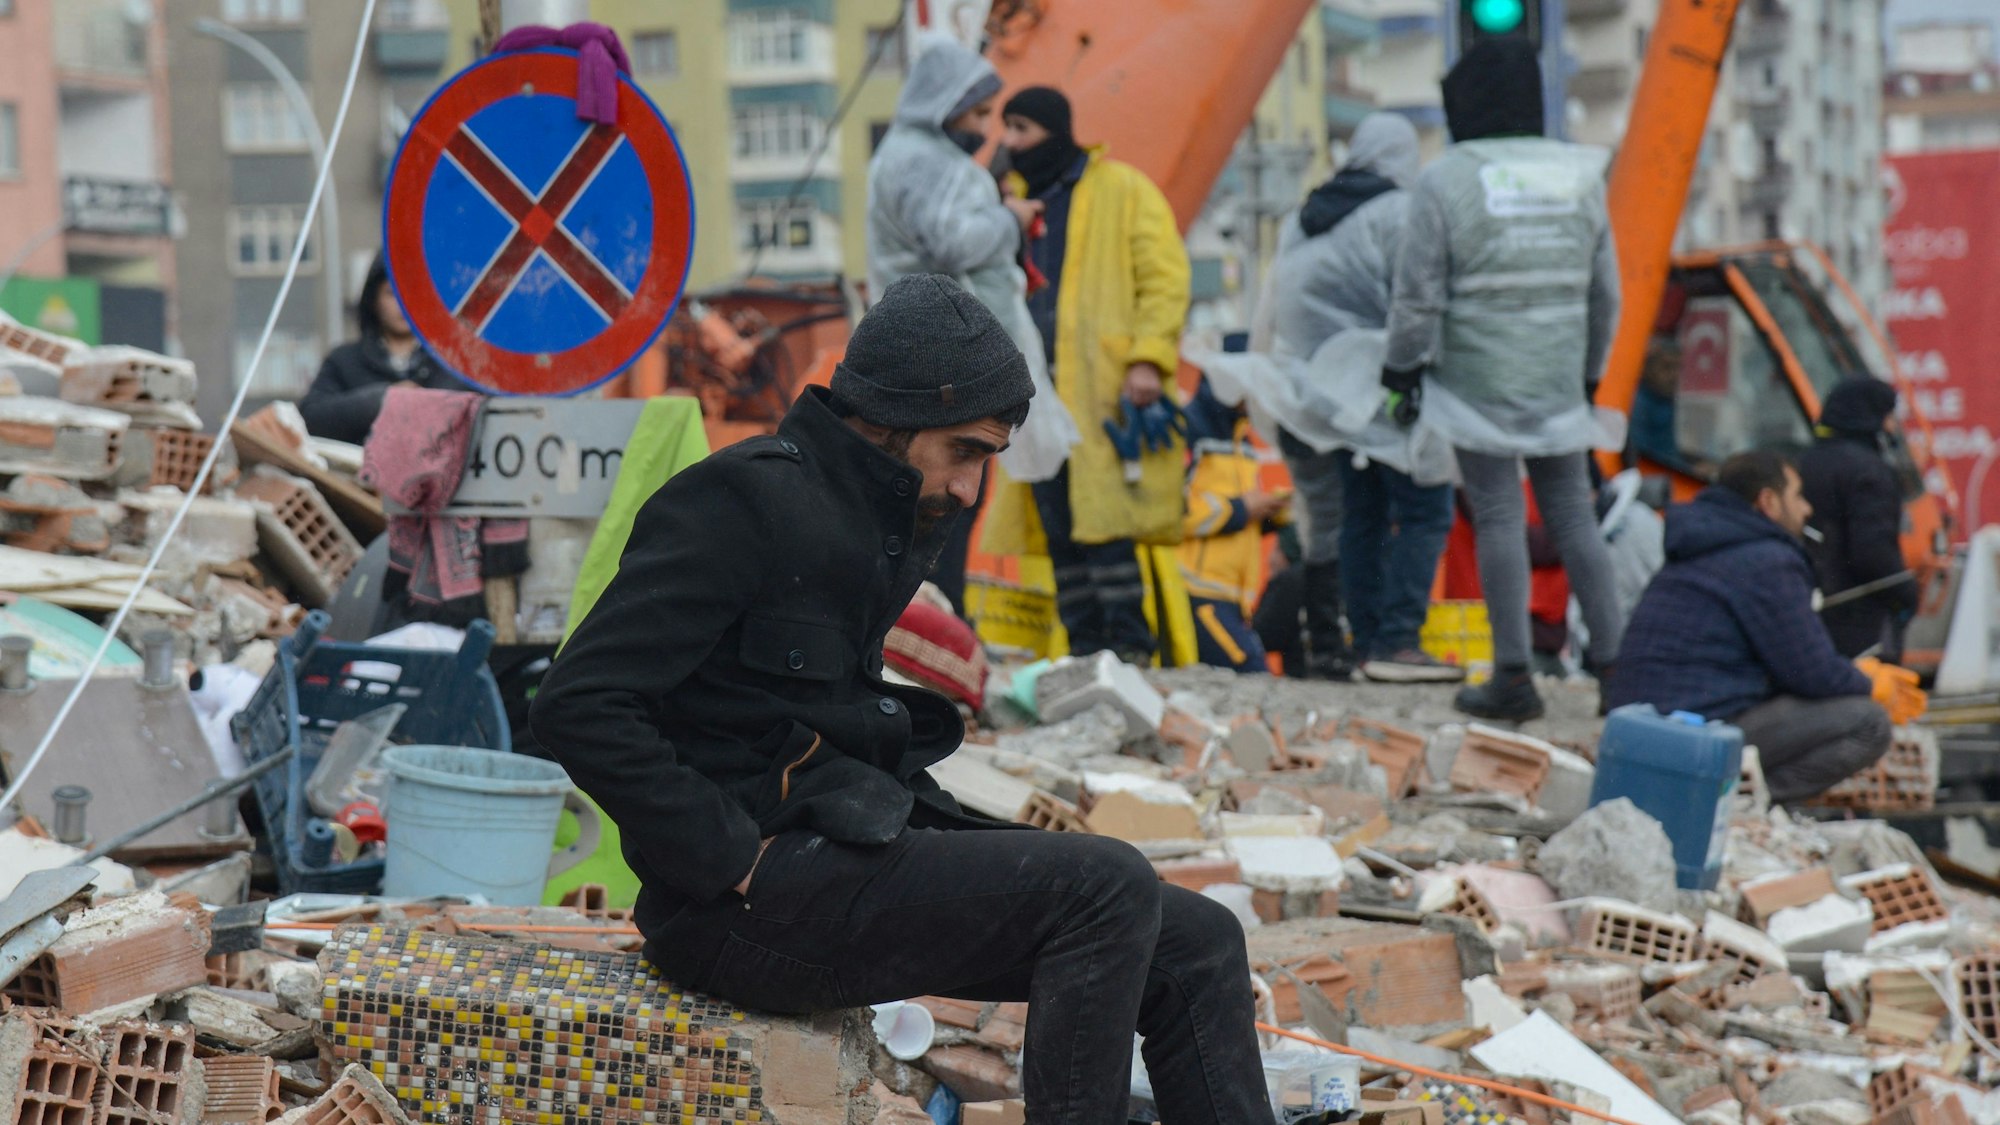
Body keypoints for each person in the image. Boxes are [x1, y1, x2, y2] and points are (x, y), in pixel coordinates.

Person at [529, 276, 1267, 1123]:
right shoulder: (740, 501)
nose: (969, 488)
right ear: (889, 420)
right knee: (1104, 884)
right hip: (746, 902)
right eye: (963, 452)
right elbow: (577, 701)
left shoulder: (872, 516)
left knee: (1202, 943)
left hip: (841, 854)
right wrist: (726, 854)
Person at [1383, 36, 1625, 721]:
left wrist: (1401, 368)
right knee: (1574, 513)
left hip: (1477, 375)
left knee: (1496, 513)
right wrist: (1588, 373)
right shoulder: (1581, 174)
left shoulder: (1445, 178)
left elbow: (1418, 295)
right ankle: (1615, 667)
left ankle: (1513, 673)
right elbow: (1605, 292)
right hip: (1556, 372)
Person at [985, 86, 1193, 664]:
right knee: (1058, 525)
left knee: (1107, 525)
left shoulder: (1123, 190)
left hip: (1104, 391)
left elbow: (1165, 278)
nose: (1011, 142)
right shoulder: (1010, 204)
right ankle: (1084, 652)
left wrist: (1149, 357)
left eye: (1021, 129)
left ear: (1054, 129)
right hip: (1037, 393)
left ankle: (1129, 652)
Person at [1269, 112, 1460, 684]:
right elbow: (1416, 300)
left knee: (1363, 514)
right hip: (1387, 385)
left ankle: (1367, 642)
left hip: (1328, 396)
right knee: (1426, 509)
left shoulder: (1306, 219)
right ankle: (1398, 641)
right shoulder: (1396, 213)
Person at [866, 38, 1048, 616]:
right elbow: (952, 242)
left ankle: (927, 620)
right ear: (943, 105)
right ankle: (932, 622)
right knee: (947, 493)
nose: (983, 128)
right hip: (945, 354)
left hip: (939, 346)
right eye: (976, 114)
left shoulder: (908, 156)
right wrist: (1009, 220)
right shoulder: (922, 159)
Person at [1608, 451, 1891, 803]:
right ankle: (1746, 802)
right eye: (1798, 496)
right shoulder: (1767, 560)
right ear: (1769, 501)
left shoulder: (1702, 547)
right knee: (1869, 722)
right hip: (1694, 736)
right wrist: (1872, 683)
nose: (1806, 510)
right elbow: (1812, 672)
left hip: (1639, 731)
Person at [1797, 378, 1918, 659]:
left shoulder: (1802, 462)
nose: (1891, 426)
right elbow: (1873, 552)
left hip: (1810, 604)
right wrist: (1905, 593)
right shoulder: (1869, 471)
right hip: (1860, 613)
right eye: (1887, 416)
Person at [1179, 381, 1291, 672]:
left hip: (1235, 597)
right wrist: (1242, 508)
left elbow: (1241, 515)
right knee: (1252, 672)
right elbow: (1171, 513)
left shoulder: (1244, 438)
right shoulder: (1189, 428)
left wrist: (1272, 512)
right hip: (1196, 591)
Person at [299, 256, 464, 444]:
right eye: (392, 294)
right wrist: (381, 400)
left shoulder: (452, 363)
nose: (403, 303)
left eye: (414, 291)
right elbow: (310, 418)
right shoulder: (344, 361)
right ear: (373, 300)